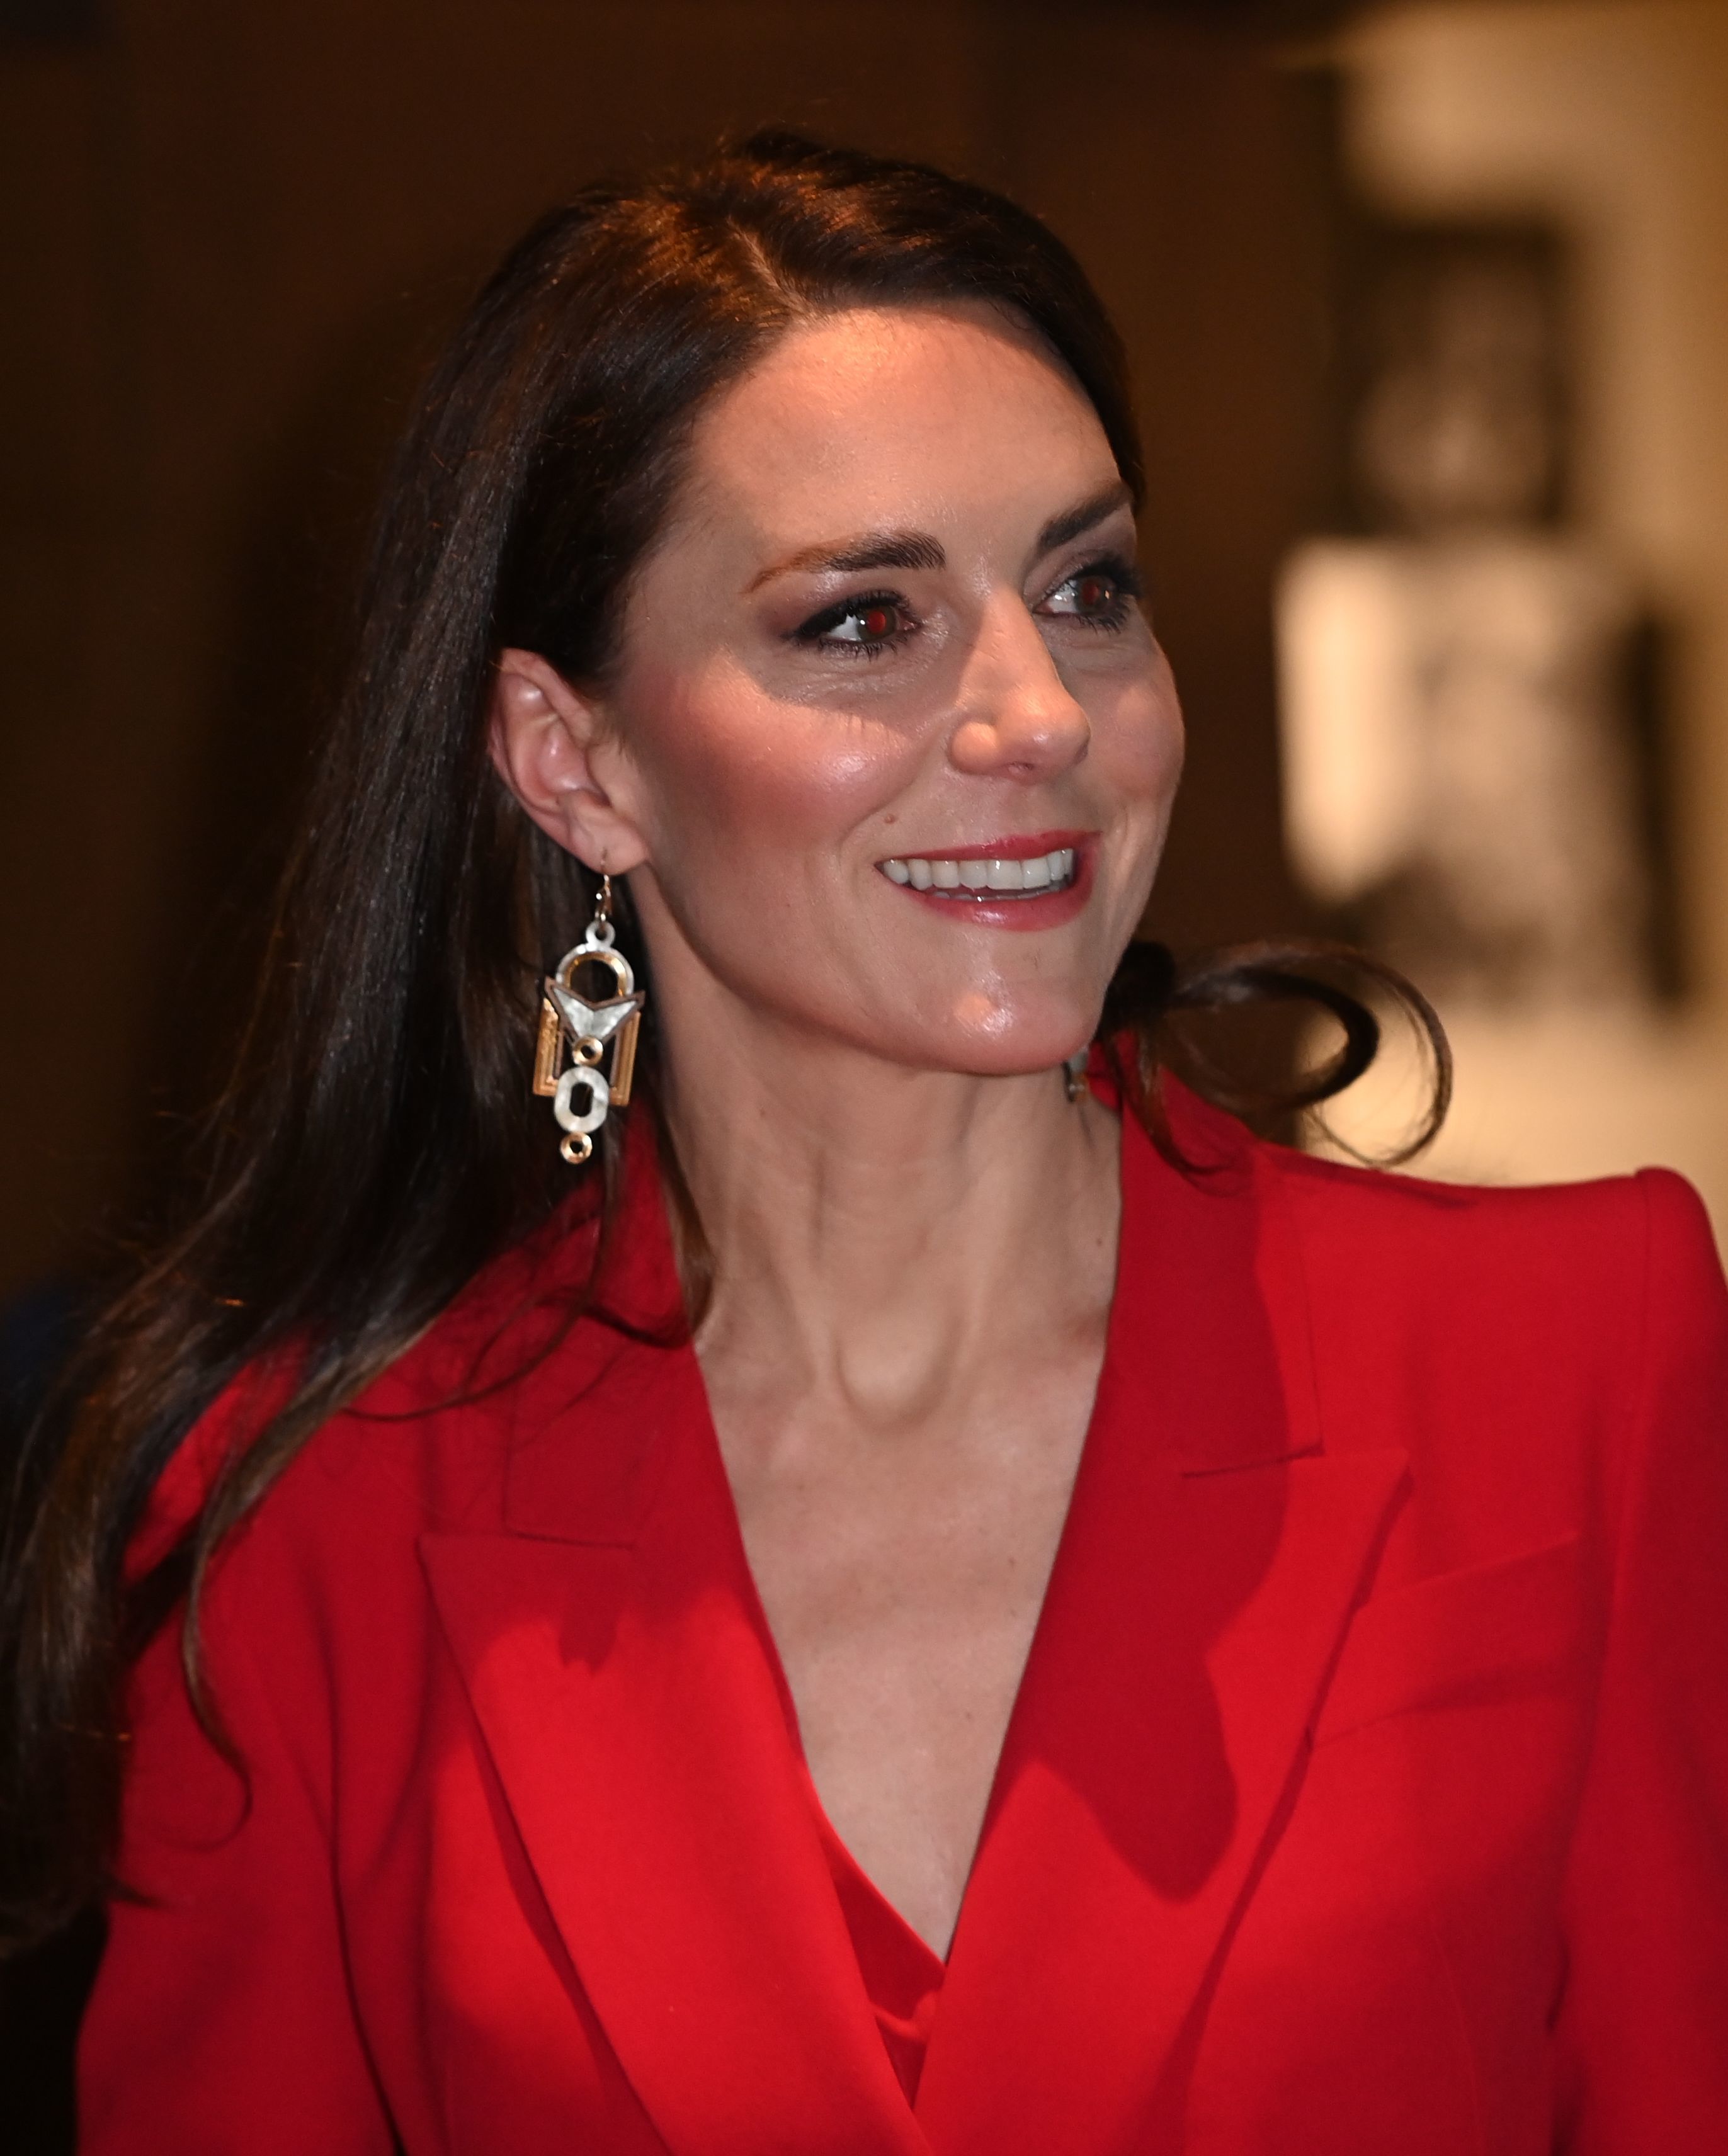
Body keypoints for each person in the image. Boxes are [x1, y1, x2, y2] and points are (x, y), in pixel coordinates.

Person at [3, 132, 1725, 2154]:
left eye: (1088, 591)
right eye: (860, 622)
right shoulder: (309, 1513)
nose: (1042, 713)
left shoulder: (1571, 1361)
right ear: (578, 761)